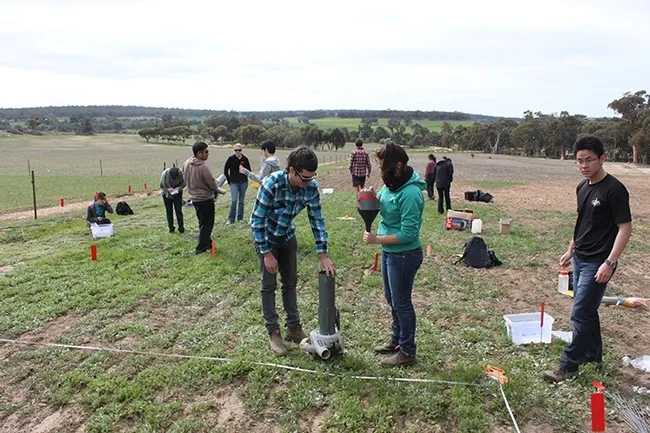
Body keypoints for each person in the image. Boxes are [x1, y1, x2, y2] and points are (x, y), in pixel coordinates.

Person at [543, 136, 632, 383]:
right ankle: (593, 355)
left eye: (589, 160)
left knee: (580, 313)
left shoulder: (614, 190)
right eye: (579, 161)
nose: (584, 165)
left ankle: (568, 365)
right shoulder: (582, 187)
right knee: (588, 311)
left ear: (602, 158)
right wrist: (570, 249)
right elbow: (582, 223)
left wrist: (610, 262)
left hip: (599, 262)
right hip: (581, 257)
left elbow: (625, 228)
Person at [250, 146, 336, 356]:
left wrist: (323, 255)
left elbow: (317, 220)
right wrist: (267, 253)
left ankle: (294, 328)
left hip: (287, 237)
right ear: (291, 170)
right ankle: (274, 332)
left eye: (311, 177)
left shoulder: (311, 188)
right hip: (267, 239)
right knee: (268, 285)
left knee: (290, 283)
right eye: (304, 178)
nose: (308, 182)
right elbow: (257, 220)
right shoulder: (271, 184)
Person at [362, 143, 426, 367]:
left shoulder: (410, 192)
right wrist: (371, 197)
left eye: (384, 167)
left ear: (398, 165)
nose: (382, 172)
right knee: (392, 299)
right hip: (390, 253)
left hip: (405, 255)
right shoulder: (391, 184)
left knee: (402, 303)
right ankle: (396, 341)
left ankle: (407, 351)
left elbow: (408, 234)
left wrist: (376, 239)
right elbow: (383, 203)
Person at [182, 141, 219, 254]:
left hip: (194, 198)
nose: (208, 154)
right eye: (206, 152)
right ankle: (201, 247)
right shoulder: (203, 167)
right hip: (205, 198)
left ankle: (207, 242)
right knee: (208, 223)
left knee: (202, 222)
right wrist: (216, 185)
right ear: (199, 153)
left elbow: (184, 177)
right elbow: (212, 185)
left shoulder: (186, 163)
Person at [224, 143, 252, 224]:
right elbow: (225, 170)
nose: (237, 152)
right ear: (234, 151)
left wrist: (244, 170)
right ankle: (231, 219)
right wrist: (229, 181)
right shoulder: (231, 159)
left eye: (239, 150)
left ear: (241, 150)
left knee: (241, 201)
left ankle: (240, 218)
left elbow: (249, 171)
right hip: (234, 183)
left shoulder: (245, 159)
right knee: (234, 200)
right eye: (236, 150)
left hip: (243, 182)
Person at [160, 166, 186, 233]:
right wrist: (168, 189)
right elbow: (162, 186)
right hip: (166, 194)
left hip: (177, 193)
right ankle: (171, 229)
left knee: (178, 210)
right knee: (169, 211)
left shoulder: (182, 174)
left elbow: (184, 183)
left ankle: (181, 228)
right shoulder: (165, 174)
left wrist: (178, 189)